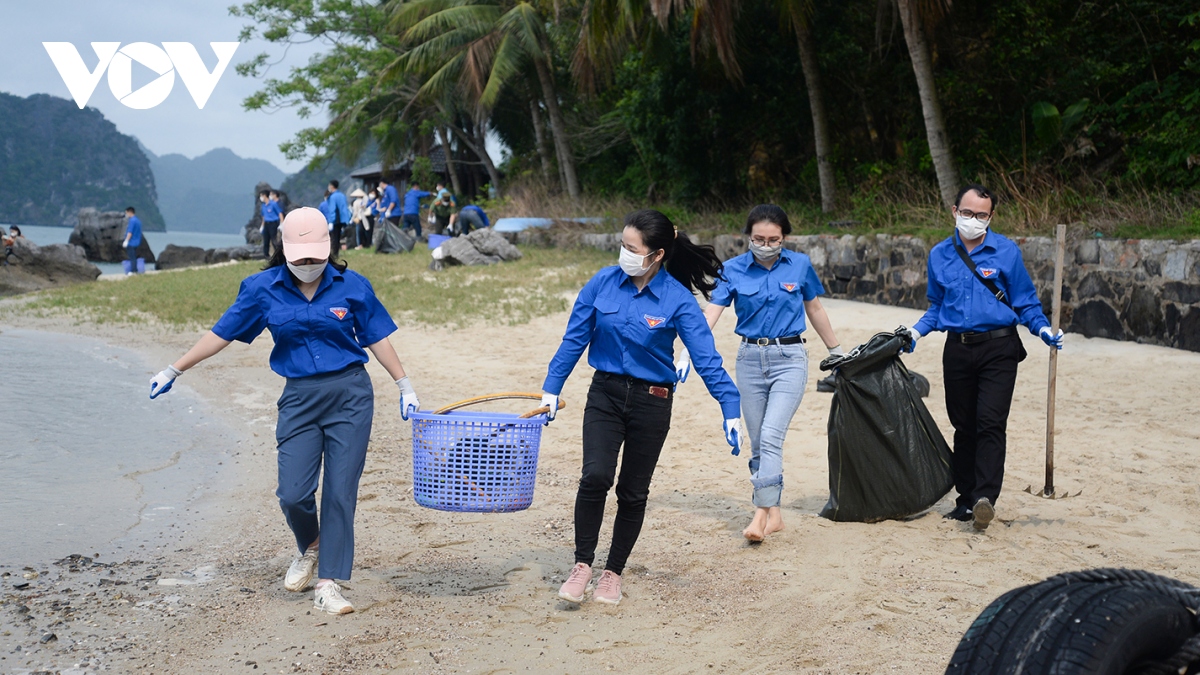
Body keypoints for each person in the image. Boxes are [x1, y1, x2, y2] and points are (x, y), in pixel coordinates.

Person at [146, 207, 421, 615]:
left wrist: (404, 384)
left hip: (350, 395)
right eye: (301, 258)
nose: (309, 265)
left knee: (340, 493)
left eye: (316, 256)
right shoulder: (262, 289)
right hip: (299, 399)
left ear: (329, 249)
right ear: (285, 250)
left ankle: (329, 583)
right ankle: (310, 546)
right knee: (292, 494)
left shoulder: (352, 286)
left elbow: (377, 337)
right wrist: (175, 368)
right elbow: (221, 332)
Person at [542, 209, 741, 607]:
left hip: (653, 402)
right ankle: (582, 564)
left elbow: (706, 357)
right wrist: (551, 388)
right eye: (622, 245)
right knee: (595, 477)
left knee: (633, 492)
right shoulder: (602, 283)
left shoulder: (677, 299)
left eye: (632, 249)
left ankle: (613, 572)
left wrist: (730, 405)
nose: (624, 254)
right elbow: (573, 339)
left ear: (657, 255)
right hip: (605, 394)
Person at [900, 184, 1063, 532]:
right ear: (954, 210)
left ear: (991, 216)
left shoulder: (1007, 252)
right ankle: (964, 500)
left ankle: (984, 499)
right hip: (957, 349)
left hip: (999, 348)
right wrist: (915, 332)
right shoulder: (940, 254)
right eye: (968, 212)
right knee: (964, 426)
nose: (973, 220)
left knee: (990, 422)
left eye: (982, 215)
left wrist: (1043, 329)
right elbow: (936, 307)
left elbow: (1025, 302)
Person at [686, 204, 844, 542]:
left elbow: (814, 307)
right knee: (759, 443)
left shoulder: (800, 265)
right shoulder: (731, 270)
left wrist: (836, 351)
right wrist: (690, 348)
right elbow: (713, 311)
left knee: (771, 436)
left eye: (774, 239)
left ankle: (759, 513)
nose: (766, 244)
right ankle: (776, 516)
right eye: (759, 238)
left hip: (790, 358)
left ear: (784, 238)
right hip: (749, 359)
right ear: (748, 237)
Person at [326, 180, 352, 252]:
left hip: (335, 219)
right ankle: (337, 251)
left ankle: (335, 252)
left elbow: (332, 209)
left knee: (334, 237)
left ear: (332, 186)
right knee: (339, 236)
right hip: (342, 219)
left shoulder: (333, 197)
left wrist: (331, 221)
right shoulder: (342, 195)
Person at [260, 190, 283, 259]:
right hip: (266, 224)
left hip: (273, 223)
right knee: (266, 240)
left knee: (273, 240)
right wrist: (262, 225)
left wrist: (281, 223)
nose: (260, 198)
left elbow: (280, 213)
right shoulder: (263, 206)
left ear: (264, 196)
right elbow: (263, 216)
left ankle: (278, 255)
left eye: (261, 196)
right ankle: (266, 256)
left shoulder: (273, 204)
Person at [121, 206, 142, 275]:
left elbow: (130, 232)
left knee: (132, 257)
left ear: (130, 212)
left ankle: (133, 271)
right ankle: (135, 270)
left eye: (126, 213)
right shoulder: (138, 221)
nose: (126, 215)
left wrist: (126, 241)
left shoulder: (132, 221)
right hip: (137, 242)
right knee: (134, 257)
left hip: (131, 242)